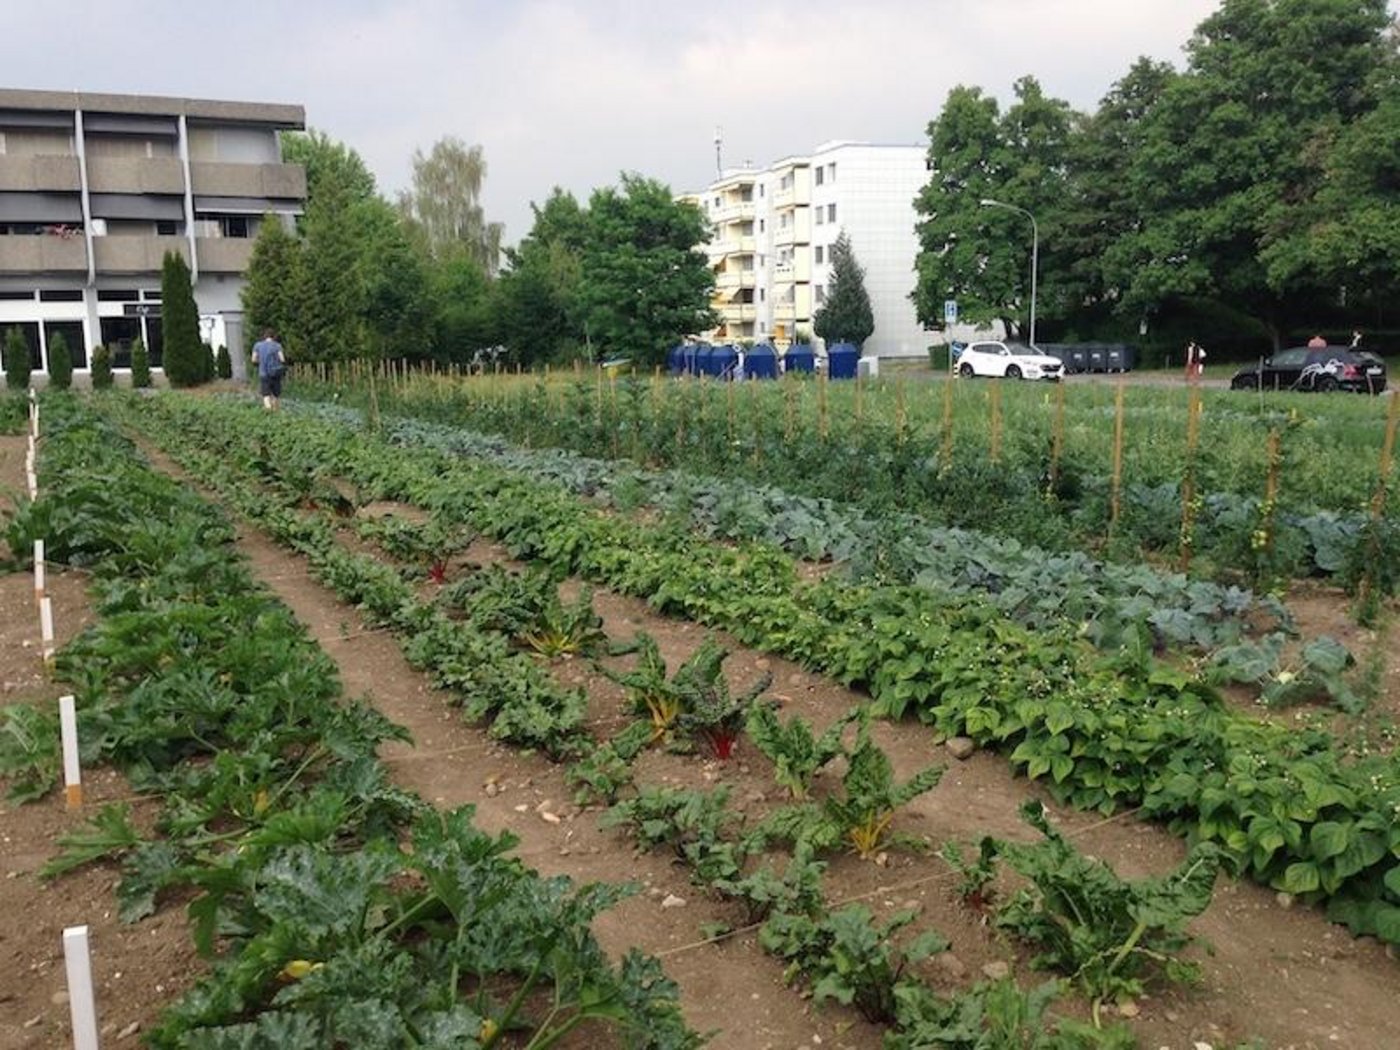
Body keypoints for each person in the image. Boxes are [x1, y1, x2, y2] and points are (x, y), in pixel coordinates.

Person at [250, 328, 286, 410]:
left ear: (264, 336)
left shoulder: (257, 345)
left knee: (266, 394)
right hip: (276, 373)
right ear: (273, 336)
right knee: (276, 394)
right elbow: (282, 359)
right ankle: (276, 411)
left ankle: (268, 411)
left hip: (264, 373)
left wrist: (259, 362)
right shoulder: (277, 345)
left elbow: (253, 359)